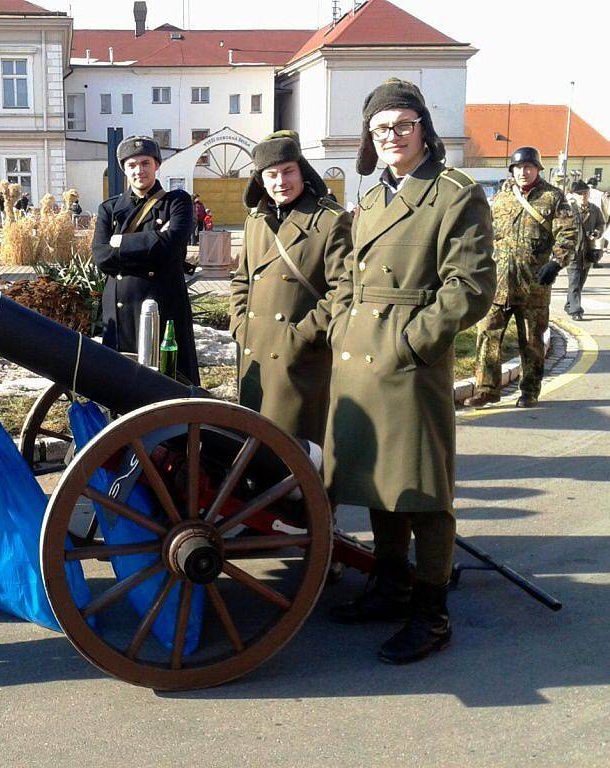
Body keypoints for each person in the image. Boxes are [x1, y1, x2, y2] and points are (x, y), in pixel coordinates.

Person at [324, 79, 495, 664]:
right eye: (379, 129)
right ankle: (391, 586)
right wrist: (344, 327)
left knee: (423, 489)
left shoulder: (454, 193)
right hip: (359, 358)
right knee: (378, 480)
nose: (390, 136)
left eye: (400, 125)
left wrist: (410, 343)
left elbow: (470, 286)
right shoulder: (371, 199)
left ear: (423, 128)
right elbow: (348, 275)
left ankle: (432, 611)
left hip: (408, 362)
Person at [229, 130, 352, 445]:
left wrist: (300, 336)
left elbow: (343, 290)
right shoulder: (255, 221)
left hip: (299, 361)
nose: (280, 181)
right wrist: (239, 324)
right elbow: (242, 279)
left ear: (302, 171)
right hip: (254, 354)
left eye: (288, 171)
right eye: (271, 175)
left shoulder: (330, 221)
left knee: (294, 454)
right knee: (253, 451)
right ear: (261, 181)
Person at [465, 147, 577, 409]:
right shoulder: (502, 198)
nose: (523, 172)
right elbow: (485, 233)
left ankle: (529, 391)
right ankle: (486, 389)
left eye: (529, 167)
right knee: (487, 336)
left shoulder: (552, 197)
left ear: (537, 169)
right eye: (518, 167)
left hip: (533, 285)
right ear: (512, 171)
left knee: (532, 341)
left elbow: (568, 235)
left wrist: (556, 262)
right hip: (498, 283)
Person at [92, 135, 199, 384]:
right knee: (119, 382)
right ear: (124, 170)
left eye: (145, 163)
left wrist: (119, 243)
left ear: (156, 165)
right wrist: (153, 243)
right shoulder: (109, 208)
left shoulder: (177, 202)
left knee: (170, 379)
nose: (139, 170)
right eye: (132, 165)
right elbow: (101, 257)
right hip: (120, 310)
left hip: (162, 303)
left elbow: (172, 246)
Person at [564, 180, 605, 320]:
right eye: (580, 194)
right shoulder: (568, 210)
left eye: (585, 193)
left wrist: (597, 233)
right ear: (574, 195)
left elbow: (601, 223)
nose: (583, 196)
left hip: (588, 252)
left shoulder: (594, 209)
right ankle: (576, 310)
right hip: (573, 252)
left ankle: (569, 304)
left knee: (580, 282)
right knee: (574, 282)